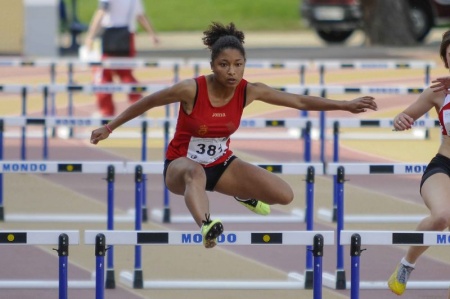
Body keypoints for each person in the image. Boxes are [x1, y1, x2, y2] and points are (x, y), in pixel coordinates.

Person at [90, 22, 377, 249]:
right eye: (224, 65)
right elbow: (149, 101)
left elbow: (299, 101)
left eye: (238, 64)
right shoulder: (192, 89)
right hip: (180, 166)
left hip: (221, 165)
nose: (232, 71)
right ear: (213, 65)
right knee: (195, 173)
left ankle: (242, 192)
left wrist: (344, 105)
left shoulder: (249, 91)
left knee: (284, 195)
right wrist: (109, 127)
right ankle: (207, 226)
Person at [388, 29, 450, 296]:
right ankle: (406, 264)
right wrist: (401, 119)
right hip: (444, 166)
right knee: (442, 217)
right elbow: (405, 114)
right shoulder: (438, 92)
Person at [84, 0, 159, 117]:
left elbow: (101, 12)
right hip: (127, 37)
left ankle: (106, 111)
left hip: (109, 37)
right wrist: (152, 34)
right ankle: (138, 104)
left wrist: (90, 36)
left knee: (104, 75)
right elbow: (140, 15)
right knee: (126, 74)